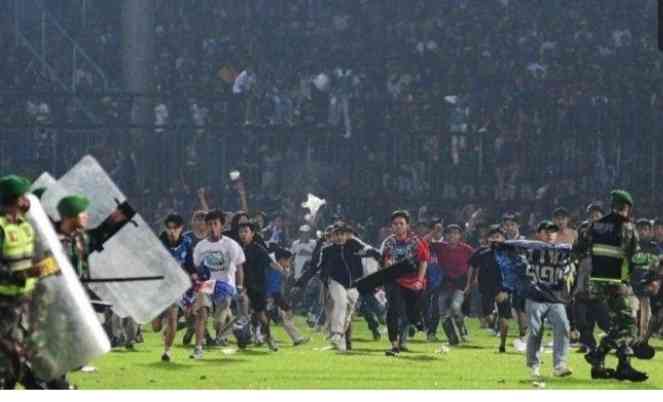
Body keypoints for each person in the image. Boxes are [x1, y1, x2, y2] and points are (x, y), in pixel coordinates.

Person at [574, 190, 647, 382]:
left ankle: (603, 365)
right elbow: (636, 257)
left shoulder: (594, 226)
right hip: (618, 281)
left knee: (618, 323)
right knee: (628, 324)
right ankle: (603, 355)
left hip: (597, 282)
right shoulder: (627, 227)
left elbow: (578, 250)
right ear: (627, 207)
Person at [0, 175, 56, 389]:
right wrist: (18, 275)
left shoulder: (26, 226)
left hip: (25, 305)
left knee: (21, 358)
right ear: (15, 199)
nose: (27, 200)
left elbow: (32, 260)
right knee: (8, 362)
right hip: (3, 306)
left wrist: (47, 267)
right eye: (24, 195)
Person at [512, 221, 575, 379]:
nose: (550, 234)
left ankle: (559, 365)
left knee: (563, 326)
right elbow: (515, 246)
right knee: (535, 330)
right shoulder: (530, 248)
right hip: (535, 297)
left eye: (553, 232)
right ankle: (534, 366)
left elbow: (579, 251)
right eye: (546, 231)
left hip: (555, 298)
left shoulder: (563, 250)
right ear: (538, 234)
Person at [190, 210, 246, 360]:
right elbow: (195, 267)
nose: (212, 227)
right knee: (202, 314)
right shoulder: (201, 246)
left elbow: (239, 266)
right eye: (209, 224)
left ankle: (229, 322)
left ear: (221, 225)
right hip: (207, 284)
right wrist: (196, 280)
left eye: (215, 224)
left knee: (217, 325)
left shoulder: (231, 244)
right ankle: (198, 348)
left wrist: (239, 287)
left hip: (225, 285)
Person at [318, 223, 379, 352]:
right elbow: (321, 267)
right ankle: (336, 333)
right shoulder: (327, 250)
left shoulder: (353, 245)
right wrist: (325, 279)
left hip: (354, 284)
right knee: (341, 303)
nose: (340, 237)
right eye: (337, 234)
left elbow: (370, 250)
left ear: (347, 235)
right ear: (332, 236)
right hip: (335, 282)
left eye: (342, 234)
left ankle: (341, 344)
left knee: (348, 314)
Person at [381, 210, 430, 357]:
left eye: (401, 223)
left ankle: (417, 321)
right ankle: (394, 345)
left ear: (407, 225)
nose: (398, 226)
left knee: (410, 313)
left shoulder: (416, 242)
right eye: (395, 224)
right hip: (394, 280)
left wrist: (420, 280)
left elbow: (423, 261)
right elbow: (385, 262)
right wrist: (387, 264)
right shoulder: (388, 243)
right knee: (393, 310)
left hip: (413, 281)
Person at [155, 213, 195, 362]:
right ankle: (163, 321)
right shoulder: (159, 242)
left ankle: (167, 351)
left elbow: (189, 263)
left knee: (172, 318)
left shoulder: (187, 242)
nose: (172, 231)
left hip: (176, 286)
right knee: (156, 327)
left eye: (175, 228)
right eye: (169, 228)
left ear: (181, 228)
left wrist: (194, 275)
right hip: (160, 286)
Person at [466, 225, 510, 352]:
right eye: (492, 237)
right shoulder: (481, 252)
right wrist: (469, 284)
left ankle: (502, 344)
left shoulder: (509, 253)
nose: (495, 239)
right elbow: (472, 267)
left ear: (503, 239)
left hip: (503, 289)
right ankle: (493, 320)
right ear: (488, 239)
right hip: (485, 289)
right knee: (487, 318)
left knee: (505, 320)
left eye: (498, 237)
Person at [435, 224, 474, 345]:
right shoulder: (440, 247)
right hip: (445, 283)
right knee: (443, 313)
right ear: (445, 235)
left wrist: (471, 282)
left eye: (456, 233)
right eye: (449, 233)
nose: (452, 236)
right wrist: (434, 232)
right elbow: (423, 244)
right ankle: (452, 339)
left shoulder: (467, 249)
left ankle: (463, 331)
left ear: (460, 236)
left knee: (455, 307)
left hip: (461, 283)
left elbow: (475, 264)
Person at [500, 213, 528, 349]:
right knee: (509, 307)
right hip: (505, 279)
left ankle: (524, 335)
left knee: (520, 307)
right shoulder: (502, 241)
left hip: (521, 280)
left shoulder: (524, 241)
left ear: (518, 225)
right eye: (507, 225)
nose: (509, 227)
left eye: (512, 224)